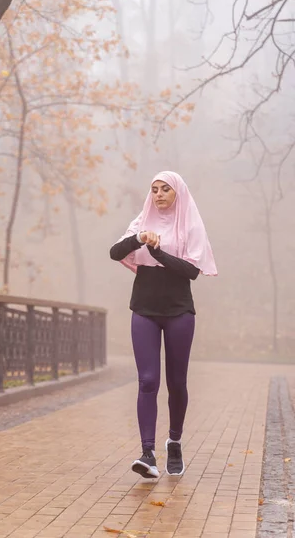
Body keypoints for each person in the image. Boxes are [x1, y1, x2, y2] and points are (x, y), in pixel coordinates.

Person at [110, 171, 217, 478]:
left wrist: (158, 252)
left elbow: (192, 270)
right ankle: (147, 453)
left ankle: (174, 441)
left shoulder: (190, 224)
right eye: (154, 189)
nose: (158, 194)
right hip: (143, 308)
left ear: (177, 193)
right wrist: (139, 238)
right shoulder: (141, 221)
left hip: (179, 310)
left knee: (177, 383)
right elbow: (115, 252)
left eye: (165, 189)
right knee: (147, 380)